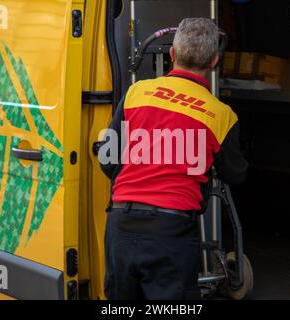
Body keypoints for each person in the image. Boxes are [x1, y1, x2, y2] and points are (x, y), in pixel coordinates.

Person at [98, 17, 248, 300]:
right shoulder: (220, 115)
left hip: (121, 225)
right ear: (214, 61)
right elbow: (235, 174)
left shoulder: (135, 94)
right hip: (172, 232)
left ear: (172, 54)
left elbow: (107, 161)